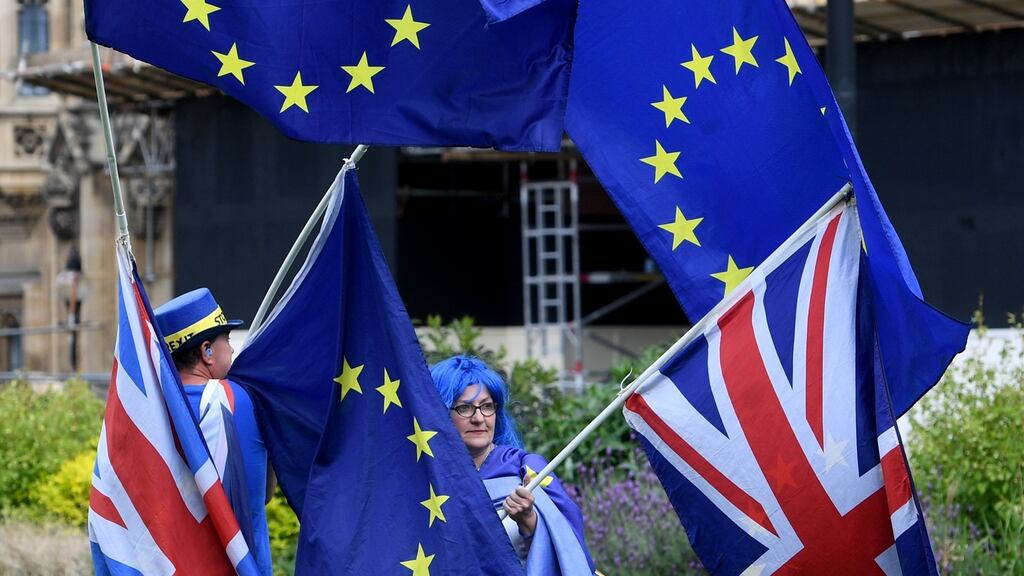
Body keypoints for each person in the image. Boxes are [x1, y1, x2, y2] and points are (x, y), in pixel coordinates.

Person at [430, 355, 595, 574]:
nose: (479, 418)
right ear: (440, 414)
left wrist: (529, 521)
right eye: (465, 408)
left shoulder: (526, 467)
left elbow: (569, 549)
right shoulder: (424, 477)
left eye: (487, 406)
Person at [154, 288, 274, 575]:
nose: (231, 349)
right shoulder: (239, 400)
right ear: (207, 351)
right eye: (227, 340)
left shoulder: (150, 409)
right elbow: (264, 492)